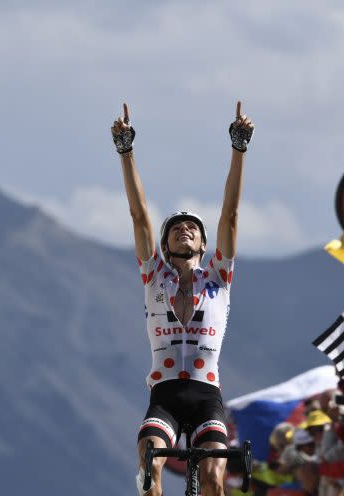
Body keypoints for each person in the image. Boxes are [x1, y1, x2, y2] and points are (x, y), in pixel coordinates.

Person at [112, 101, 254, 496]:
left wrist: (238, 149)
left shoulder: (219, 277)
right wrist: (126, 151)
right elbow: (139, 216)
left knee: (212, 480)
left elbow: (231, 214)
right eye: (175, 228)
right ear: (165, 243)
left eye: (192, 228)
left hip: (208, 397)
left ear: (204, 243)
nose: (184, 230)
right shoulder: (154, 274)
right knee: (148, 467)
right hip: (166, 396)